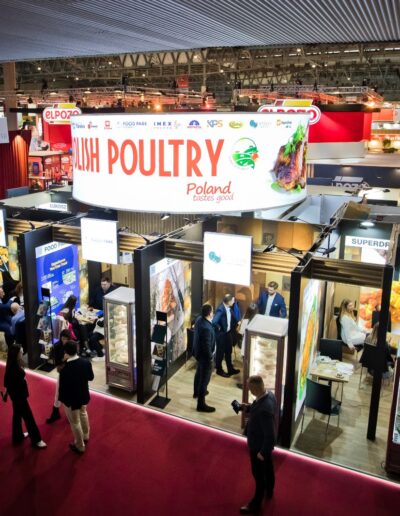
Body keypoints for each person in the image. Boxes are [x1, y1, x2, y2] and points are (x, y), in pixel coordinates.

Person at [239, 375, 276, 514]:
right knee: (268, 468)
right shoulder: (269, 395)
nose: (249, 390)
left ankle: (255, 504)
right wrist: (247, 407)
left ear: (254, 389)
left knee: (258, 475)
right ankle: (269, 489)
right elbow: (257, 406)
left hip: (258, 447)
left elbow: (270, 435)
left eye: (250, 388)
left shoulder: (264, 410)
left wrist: (262, 452)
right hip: (262, 446)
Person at [3, 344, 47, 449]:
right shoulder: (14, 368)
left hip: (16, 395)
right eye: (21, 351)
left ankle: (17, 436)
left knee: (17, 415)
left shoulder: (13, 363)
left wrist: (7, 392)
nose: (23, 352)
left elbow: (7, 382)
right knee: (29, 417)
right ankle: (36, 440)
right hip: (19, 397)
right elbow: (9, 381)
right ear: (17, 354)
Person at [58, 340, 94, 454]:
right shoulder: (86, 362)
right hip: (83, 395)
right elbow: (91, 377)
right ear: (77, 349)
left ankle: (80, 445)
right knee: (83, 413)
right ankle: (86, 435)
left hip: (71, 400)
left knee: (75, 422)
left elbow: (62, 388)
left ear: (66, 352)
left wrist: (61, 400)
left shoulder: (65, 369)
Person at [193, 303, 216, 413]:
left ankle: (196, 392)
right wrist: (210, 358)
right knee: (204, 380)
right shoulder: (206, 328)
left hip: (198, 354)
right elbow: (207, 346)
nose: (213, 313)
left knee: (198, 373)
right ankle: (201, 404)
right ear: (210, 313)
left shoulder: (199, 319)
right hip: (205, 357)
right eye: (212, 311)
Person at [46, 329, 71, 424]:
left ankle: (70, 414)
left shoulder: (71, 345)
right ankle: (55, 412)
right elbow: (57, 362)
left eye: (66, 339)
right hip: (63, 371)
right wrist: (63, 359)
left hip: (72, 371)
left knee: (70, 393)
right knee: (58, 393)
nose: (64, 340)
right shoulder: (57, 346)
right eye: (63, 338)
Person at [212, 294, 240, 378]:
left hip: (228, 334)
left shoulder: (229, 308)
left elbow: (232, 316)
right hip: (221, 335)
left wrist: (238, 322)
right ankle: (219, 370)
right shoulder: (221, 310)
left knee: (228, 351)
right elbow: (214, 322)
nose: (234, 302)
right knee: (220, 353)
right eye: (233, 301)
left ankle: (230, 369)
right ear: (229, 302)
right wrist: (219, 328)